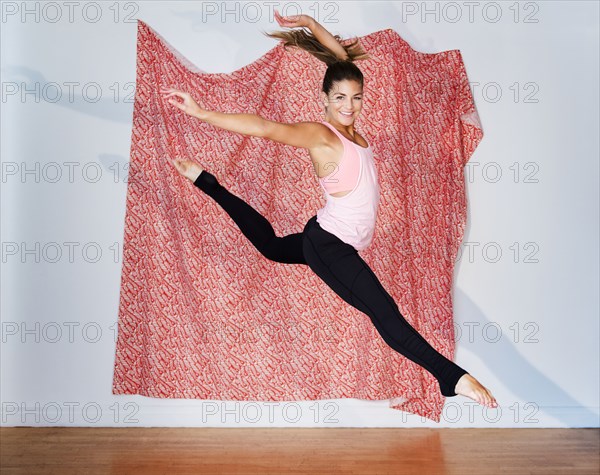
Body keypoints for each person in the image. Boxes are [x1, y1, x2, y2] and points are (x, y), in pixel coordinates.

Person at [159, 11, 498, 408]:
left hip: (325, 233)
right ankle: (452, 378)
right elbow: (263, 127)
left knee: (270, 246)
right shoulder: (322, 135)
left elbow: (342, 63)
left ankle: (205, 181)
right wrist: (202, 113)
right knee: (385, 315)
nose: (349, 106)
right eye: (339, 98)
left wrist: (311, 23)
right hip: (330, 244)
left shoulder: (352, 128)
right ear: (324, 99)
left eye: (355, 97)